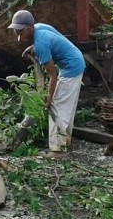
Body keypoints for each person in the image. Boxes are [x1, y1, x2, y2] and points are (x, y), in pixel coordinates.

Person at [8, 10, 85, 158]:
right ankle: (65, 141)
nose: (19, 36)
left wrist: (49, 98)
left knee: (57, 107)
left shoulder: (41, 44)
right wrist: (32, 47)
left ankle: (57, 150)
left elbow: (52, 75)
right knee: (66, 105)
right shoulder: (40, 27)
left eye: (21, 31)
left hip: (70, 67)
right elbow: (54, 40)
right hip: (75, 58)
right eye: (16, 32)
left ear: (30, 27)